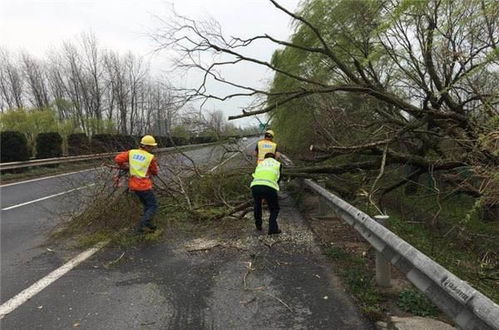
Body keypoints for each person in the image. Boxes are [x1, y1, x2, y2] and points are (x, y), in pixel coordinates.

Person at [115, 135, 159, 233]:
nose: (153, 149)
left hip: (133, 185)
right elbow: (155, 171)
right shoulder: (150, 157)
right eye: (151, 147)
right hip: (144, 186)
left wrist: (125, 166)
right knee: (153, 206)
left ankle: (148, 224)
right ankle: (141, 226)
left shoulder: (132, 153)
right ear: (147, 146)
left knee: (146, 205)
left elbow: (118, 159)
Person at [250, 152, 282, 235]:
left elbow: (256, 175)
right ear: (274, 158)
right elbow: (278, 178)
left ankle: (258, 226)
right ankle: (272, 229)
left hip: (255, 185)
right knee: (274, 208)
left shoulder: (260, 164)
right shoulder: (277, 164)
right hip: (269, 186)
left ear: (265, 158)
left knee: (257, 205)